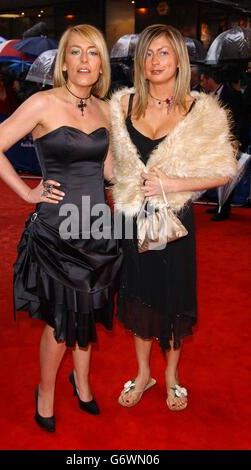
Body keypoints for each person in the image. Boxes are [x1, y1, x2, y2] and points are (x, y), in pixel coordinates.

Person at [0, 24, 122, 432]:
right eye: (75, 52)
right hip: (58, 230)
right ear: (63, 62)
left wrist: (146, 173)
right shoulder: (43, 103)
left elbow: (110, 170)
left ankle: (81, 382)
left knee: (89, 313)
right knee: (60, 321)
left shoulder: (107, 109)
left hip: (97, 225)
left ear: (101, 65)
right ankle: (45, 391)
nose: (83, 61)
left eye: (92, 53)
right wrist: (28, 194)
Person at [110, 24, 237, 411]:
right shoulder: (123, 105)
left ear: (179, 61)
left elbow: (224, 171)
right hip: (133, 221)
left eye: (163, 53)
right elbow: (110, 165)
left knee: (173, 296)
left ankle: (171, 376)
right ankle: (145, 373)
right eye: (148, 54)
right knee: (138, 297)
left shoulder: (201, 110)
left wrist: (172, 180)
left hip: (174, 223)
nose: (154, 61)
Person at [200, 66, 245, 220]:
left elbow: (240, 118)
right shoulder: (208, 95)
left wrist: (236, 139)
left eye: (202, 80)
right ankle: (220, 205)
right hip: (215, 141)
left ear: (209, 79)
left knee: (227, 174)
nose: (201, 83)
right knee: (218, 172)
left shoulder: (232, 94)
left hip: (231, 141)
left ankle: (224, 210)